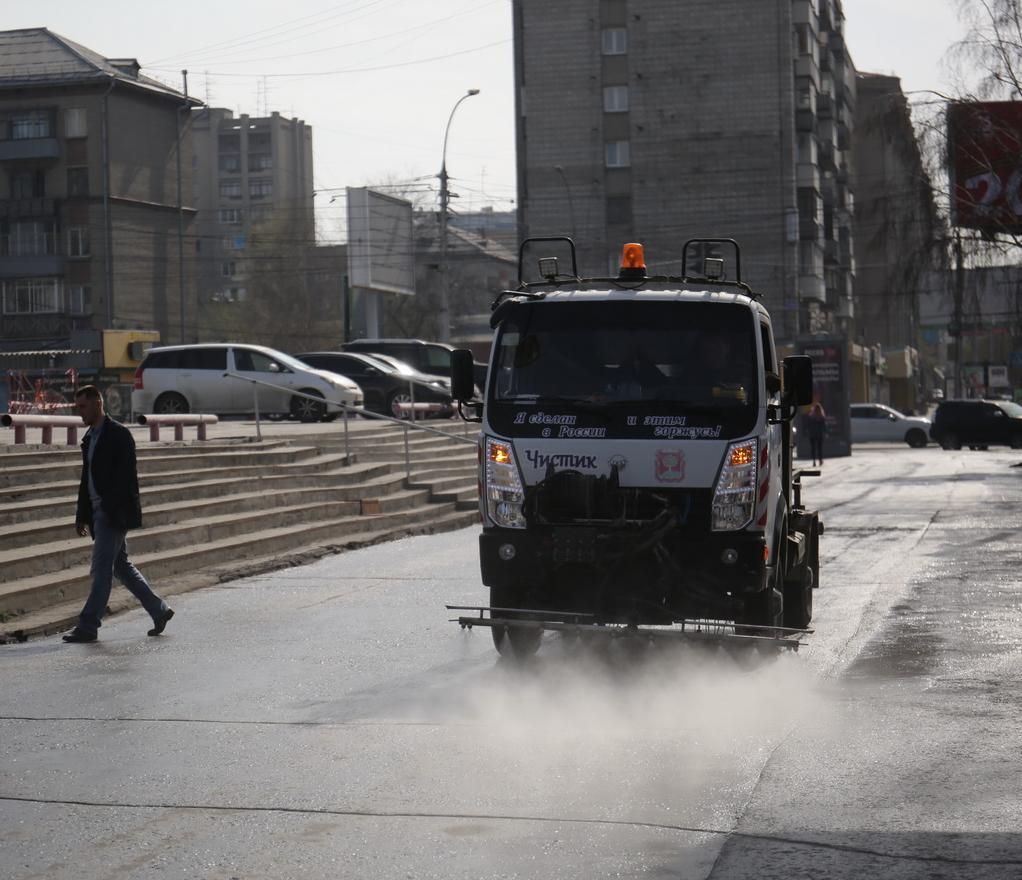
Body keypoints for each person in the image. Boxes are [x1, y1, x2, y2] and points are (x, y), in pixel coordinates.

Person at [62, 385, 174, 643]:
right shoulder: (90, 437)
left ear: (97, 404)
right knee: (121, 566)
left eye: (82, 406)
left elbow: (126, 479)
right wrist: (82, 514)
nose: (79, 412)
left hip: (113, 513)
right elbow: (85, 478)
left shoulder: (119, 435)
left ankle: (88, 626)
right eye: (77, 406)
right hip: (98, 511)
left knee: (101, 569)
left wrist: (108, 511)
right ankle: (159, 611)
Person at [806, 401, 827, 466]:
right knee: (819, 448)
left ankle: (814, 461)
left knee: (813, 448)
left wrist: (807, 431)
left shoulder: (811, 416)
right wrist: (826, 432)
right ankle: (820, 460)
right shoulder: (821, 416)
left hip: (812, 434)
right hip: (819, 434)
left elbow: (808, 425)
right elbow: (824, 426)